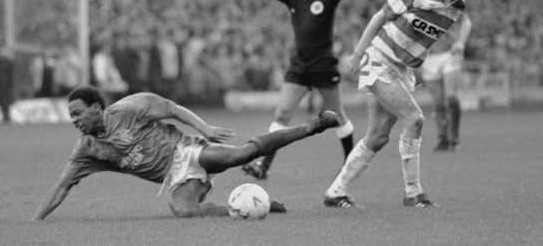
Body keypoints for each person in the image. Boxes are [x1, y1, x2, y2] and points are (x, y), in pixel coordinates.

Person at [32, 85, 339, 220]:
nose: (73, 119)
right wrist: (35, 222)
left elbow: (171, 108)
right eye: (70, 115)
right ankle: (257, 206)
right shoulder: (87, 150)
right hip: (176, 178)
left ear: (96, 108)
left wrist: (204, 129)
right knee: (182, 211)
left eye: (77, 113)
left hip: (186, 150)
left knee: (240, 155)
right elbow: (61, 188)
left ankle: (312, 126)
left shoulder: (127, 109)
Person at [323, 0, 480, 209]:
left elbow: (422, 37)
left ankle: (334, 192)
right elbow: (379, 17)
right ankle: (413, 193)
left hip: (403, 71)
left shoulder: (458, 8)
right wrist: (357, 54)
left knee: (377, 136)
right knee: (415, 118)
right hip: (379, 61)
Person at [205, 0, 358, 180]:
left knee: (338, 116)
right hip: (299, 68)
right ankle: (262, 167)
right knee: (282, 113)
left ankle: (350, 165)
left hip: (324, 67)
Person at [415, 0, 472, 151]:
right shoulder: (412, 0)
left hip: (448, 55)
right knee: (439, 103)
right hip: (429, 58)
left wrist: (460, 42)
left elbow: (466, 21)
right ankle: (443, 139)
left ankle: (454, 136)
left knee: (451, 98)